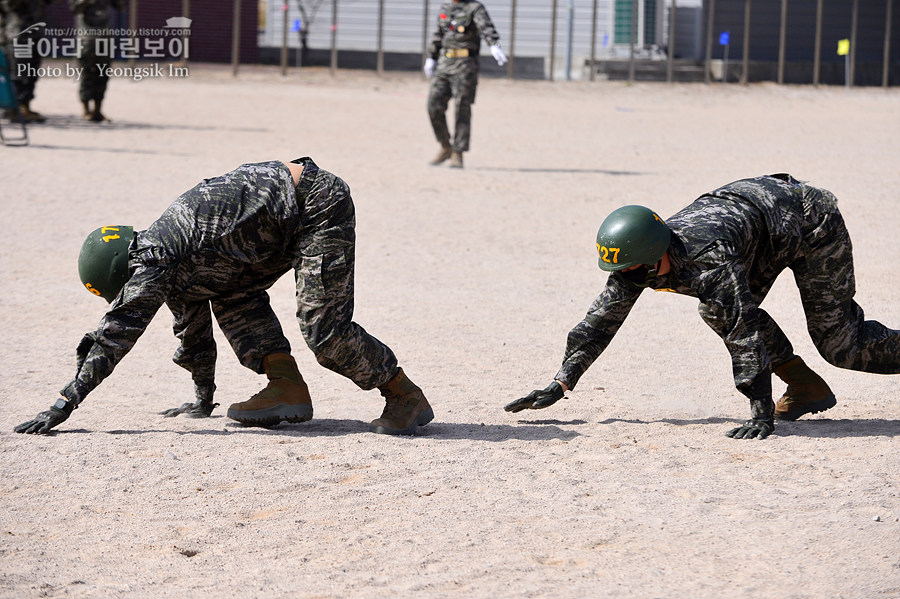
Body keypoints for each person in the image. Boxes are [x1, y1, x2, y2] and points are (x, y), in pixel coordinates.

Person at [14, 158, 435, 436]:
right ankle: (286, 386)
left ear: (126, 277)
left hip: (315, 205)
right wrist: (203, 399)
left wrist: (63, 404)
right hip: (274, 228)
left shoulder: (156, 256)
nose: (136, 299)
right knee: (229, 294)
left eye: (128, 294)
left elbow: (116, 334)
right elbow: (193, 334)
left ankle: (403, 395)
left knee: (324, 330)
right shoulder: (179, 270)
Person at [505, 174, 899, 440]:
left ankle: (807, 379)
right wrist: (562, 381)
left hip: (808, 221)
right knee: (717, 309)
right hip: (761, 230)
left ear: (656, 252)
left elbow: (742, 328)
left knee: (842, 344)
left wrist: (759, 408)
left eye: (637, 269)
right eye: (624, 270)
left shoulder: (708, 259)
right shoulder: (638, 261)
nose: (632, 278)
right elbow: (599, 322)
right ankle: (806, 386)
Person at [424, 0, 507, 169]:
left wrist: (494, 45)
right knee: (433, 105)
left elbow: (486, 28)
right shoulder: (446, 7)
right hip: (444, 64)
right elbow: (439, 34)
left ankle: (458, 152)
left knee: (462, 107)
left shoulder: (475, 8)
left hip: (465, 65)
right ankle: (445, 145)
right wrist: (431, 57)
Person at [70, 0, 124, 122]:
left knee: (103, 75)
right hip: (86, 38)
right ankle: (86, 110)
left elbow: (121, 7)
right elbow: (74, 8)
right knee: (86, 74)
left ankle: (97, 110)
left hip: (105, 37)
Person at [0, 0, 52, 122]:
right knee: (20, 73)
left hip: (35, 33)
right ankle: (16, 109)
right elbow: (9, 5)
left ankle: (25, 107)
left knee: (31, 73)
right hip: (18, 34)